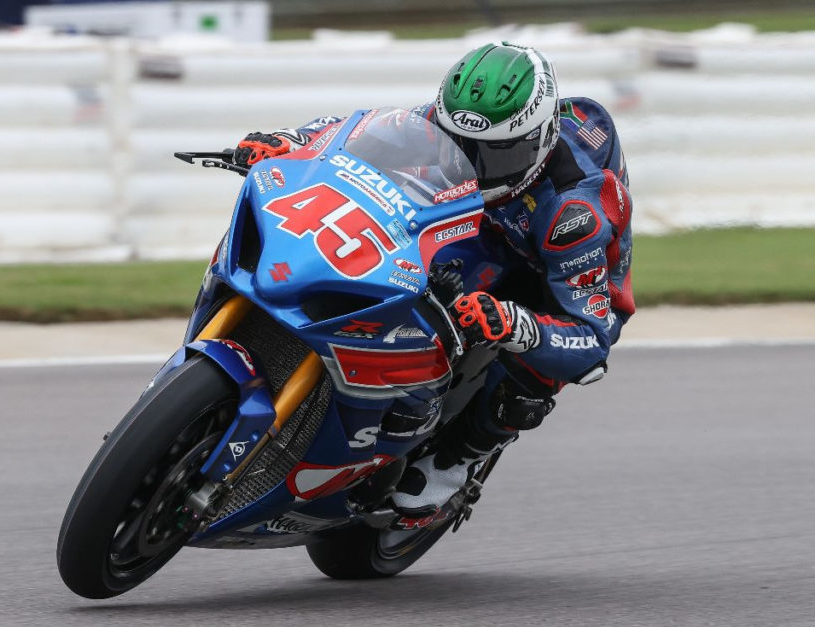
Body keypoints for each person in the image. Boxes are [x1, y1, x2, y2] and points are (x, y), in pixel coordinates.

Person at [232, 42, 635, 518]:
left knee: (531, 368)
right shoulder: (447, 124)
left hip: (550, 269)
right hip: (482, 223)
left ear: (540, 139)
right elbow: (353, 134)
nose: (474, 165)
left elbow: (591, 342)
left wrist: (514, 323)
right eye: (461, 146)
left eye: (495, 155)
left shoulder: (573, 217)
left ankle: (462, 455)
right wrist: (289, 142)